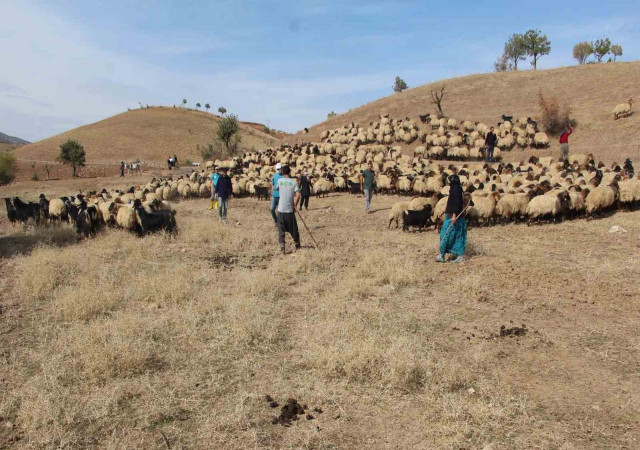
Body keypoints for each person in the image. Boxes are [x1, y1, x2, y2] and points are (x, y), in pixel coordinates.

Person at [437, 174, 467, 263]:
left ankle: (460, 255)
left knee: (454, 235)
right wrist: (444, 211)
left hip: (455, 217)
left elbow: (457, 204)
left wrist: (454, 216)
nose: (449, 183)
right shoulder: (454, 189)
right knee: (445, 234)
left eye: (450, 181)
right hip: (449, 215)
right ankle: (441, 254)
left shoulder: (456, 190)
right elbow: (451, 202)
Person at [275, 165, 301, 254]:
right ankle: (297, 246)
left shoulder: (279, 181)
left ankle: (282, 250)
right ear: (290, 172)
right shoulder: (294, 182)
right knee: (294, 230)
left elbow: (276, 188)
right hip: (289, 210)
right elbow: (298, 195)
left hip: (281, 210)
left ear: (282, 172)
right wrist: (295, 205)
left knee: (281, 231)